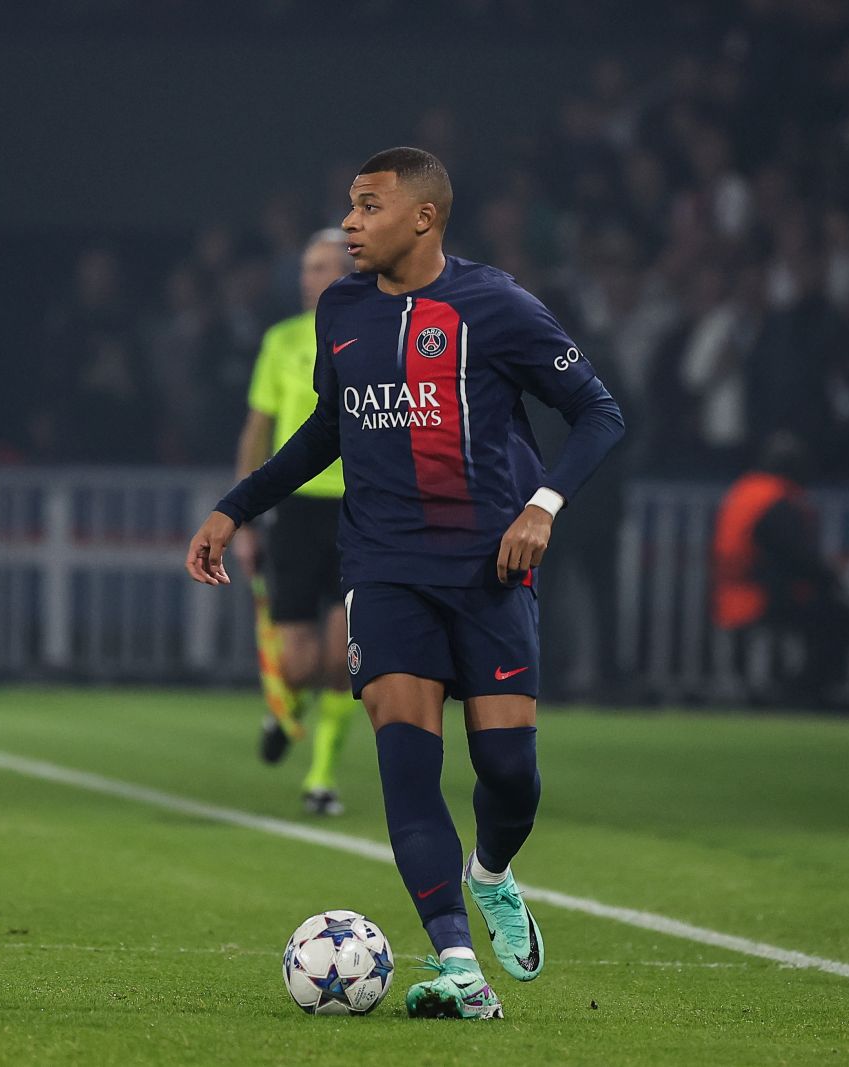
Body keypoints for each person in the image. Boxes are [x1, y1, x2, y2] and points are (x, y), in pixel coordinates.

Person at [185, 148, 624, 1020]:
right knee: (407, 767)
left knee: (509, 771)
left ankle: (491, 873)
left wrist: (542, 504)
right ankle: (459, 965)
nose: (349, 223)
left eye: (367, 206)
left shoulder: (494, 304)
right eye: (349, 208)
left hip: (488, 568)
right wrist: (235, 508)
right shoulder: (340, 310)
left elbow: (599, 412)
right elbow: (324, 432)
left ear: (423, 218)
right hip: (384, 570)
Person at [232, 228, 357, 816]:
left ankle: (322, 777)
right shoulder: (282, 342)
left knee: (344, 657)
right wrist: (244, 519)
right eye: (309, 267)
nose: (315, 277)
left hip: (361, 509)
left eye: (328, 266)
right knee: (299, 663)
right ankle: (285, 711)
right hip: (298, 510)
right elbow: (257, 432)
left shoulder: (380, 333)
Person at [711, 433, 849, 707]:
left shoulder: (748, 489)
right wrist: (833, 579)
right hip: (760, 598)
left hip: (732, 593)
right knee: (844, 621)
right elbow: (795, 555)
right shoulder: (774, 499)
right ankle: (801, 693)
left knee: (826, 618)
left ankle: (795, 690)